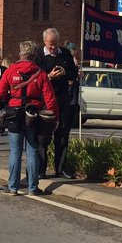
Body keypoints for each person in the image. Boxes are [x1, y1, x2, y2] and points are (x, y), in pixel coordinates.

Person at [0, 40, 59, 196]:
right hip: (33, 114)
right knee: (31, 151)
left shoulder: (10, 71)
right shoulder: (40, 72)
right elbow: (50, 98)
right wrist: (55, 117)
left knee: (15, 151)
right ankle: (32, 188)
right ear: (33, 55)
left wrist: (10, 97)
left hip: (14, 113)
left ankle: (13, 187)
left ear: (20, 54)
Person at [33, 28, 79, 177]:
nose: (53, 48)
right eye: (50, 44)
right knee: (43, 135)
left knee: (63, 133)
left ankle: (60, 168)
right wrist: (49, 76)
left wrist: (66, 73)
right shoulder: (38, 55)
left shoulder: (65, 53)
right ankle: (41, 169)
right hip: (45, 100)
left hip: (62, 98)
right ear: (44, 41)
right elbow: (34, 78)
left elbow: (74, 73)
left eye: (55, 44)